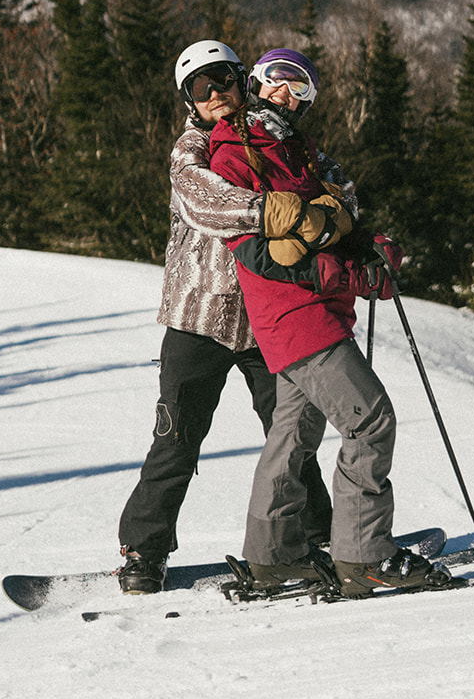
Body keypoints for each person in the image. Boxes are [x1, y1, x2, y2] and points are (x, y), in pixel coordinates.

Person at [208, 47, 446, 598]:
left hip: (307, 318)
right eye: (279, 79)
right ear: (256, 81)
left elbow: (333, 222)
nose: (287, 93)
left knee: (294, 434)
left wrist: (370, 247)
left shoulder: (300, 152)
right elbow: (257, 252)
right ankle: (364, 555)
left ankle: (272, 555)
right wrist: (349, 274)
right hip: (297, 317)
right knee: (371, 421)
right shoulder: (234, 154)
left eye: (302, 88)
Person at [116, 39, 333, 594]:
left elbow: (333, 186)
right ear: (188, 99)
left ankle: (320, 535)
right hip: (200, 317)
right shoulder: (192, 148)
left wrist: (339, 219)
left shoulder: (277, 139)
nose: (215, 95)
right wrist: (274, 212)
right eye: (200, 88)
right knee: (177, 437)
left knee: (290, 432)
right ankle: (144, 550)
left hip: (267, 316)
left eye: (223, 81)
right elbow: (202, 200)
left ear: (243, 80)